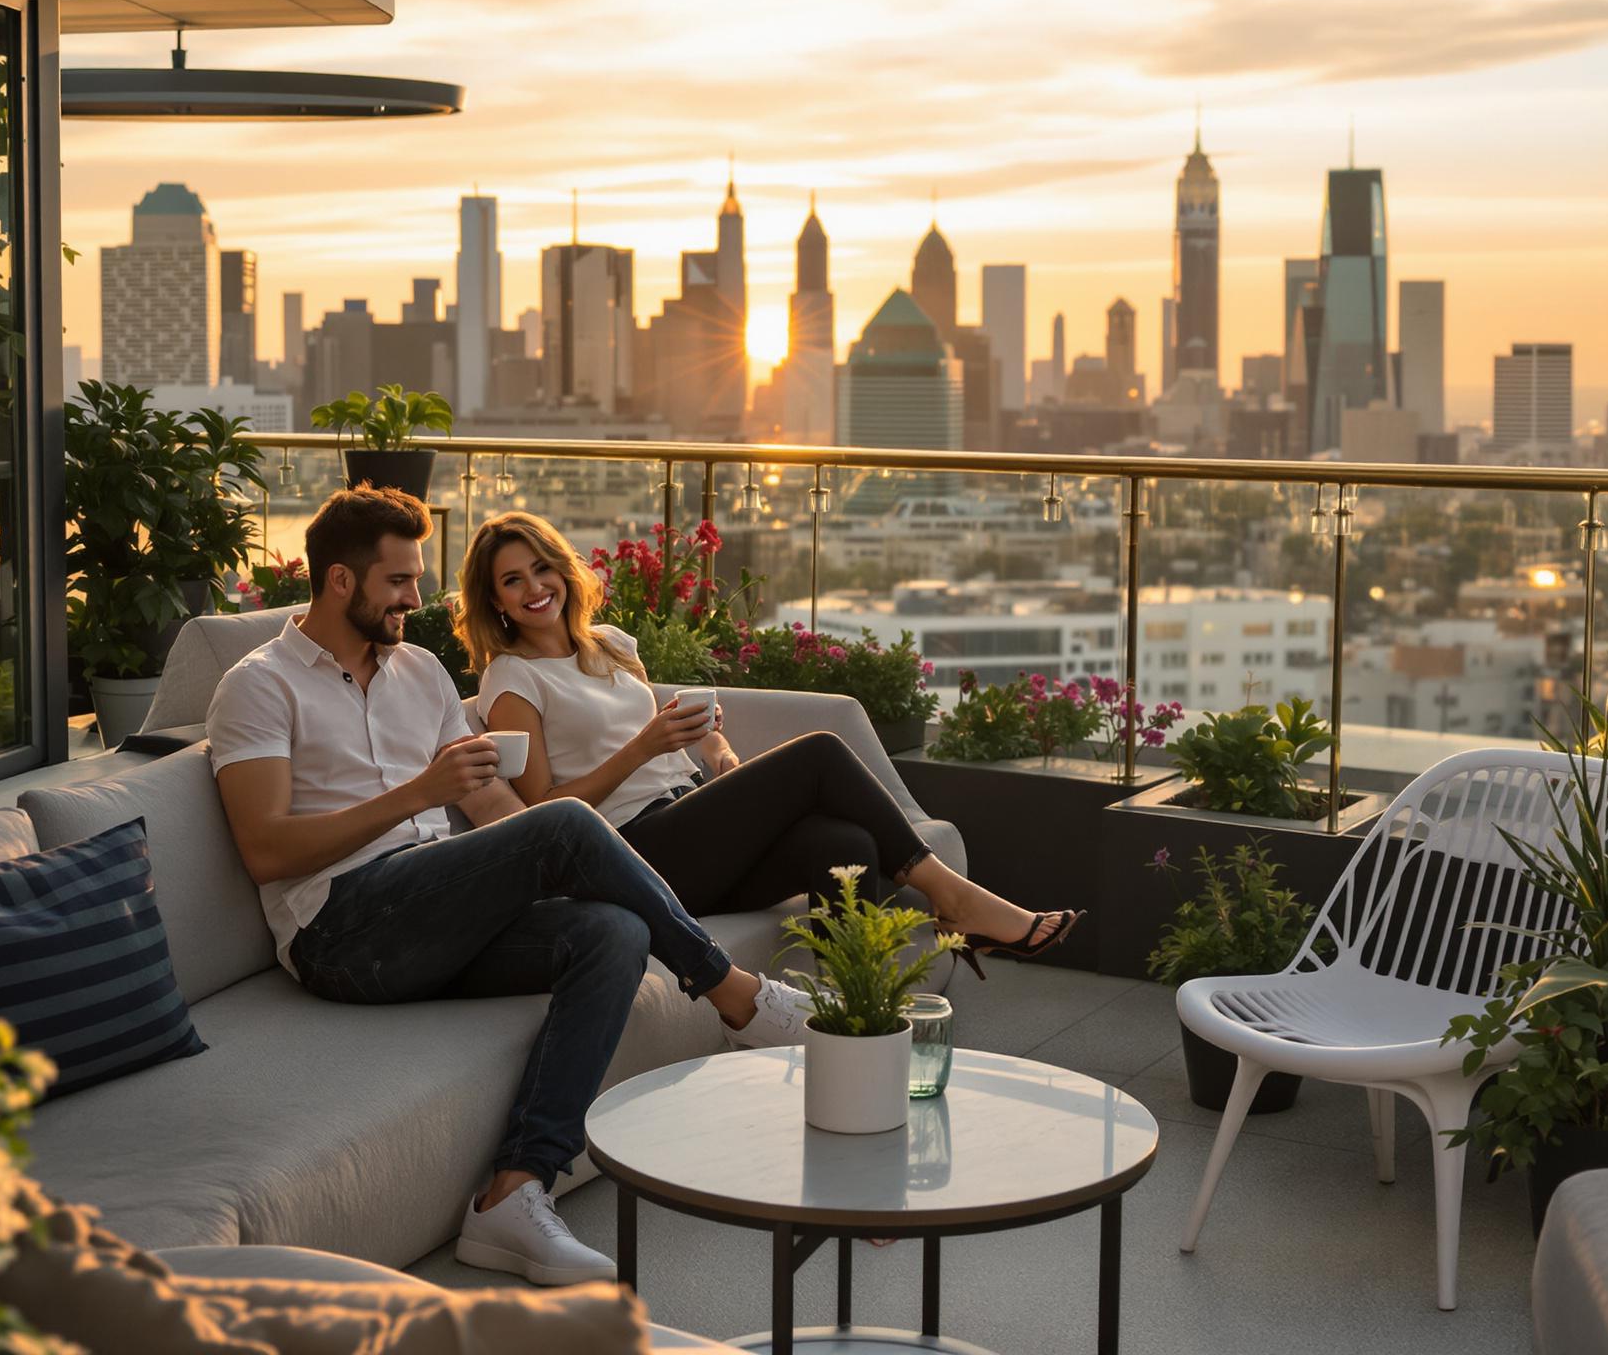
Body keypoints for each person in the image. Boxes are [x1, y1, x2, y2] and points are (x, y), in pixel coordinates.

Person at [207, 485, 815, 1289]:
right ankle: (735, 994)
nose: (415, 600)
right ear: (341, 583)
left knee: (612, 932)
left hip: (433, 914)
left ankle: (514, 1191)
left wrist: (525, 866)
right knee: (562, 825)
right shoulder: (259, 685)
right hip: (342, 932)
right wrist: (419, 796)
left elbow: (493, 804)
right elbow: (264, 850)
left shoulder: (418, 673)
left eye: (417, 579)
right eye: (398, 583)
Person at [460, 511, 1082, 970]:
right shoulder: (512, 678)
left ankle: (854, 1012)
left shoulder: (613, 646)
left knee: (844, 844)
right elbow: (546, 811)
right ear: (496, 600)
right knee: (817, 754)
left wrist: (710, 751)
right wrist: (642, 748)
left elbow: (660, 745)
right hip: (631, 852)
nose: (534, 587)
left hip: (688, 823)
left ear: (564, 570)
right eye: (513, 580)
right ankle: (955, 897)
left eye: (542, 567)